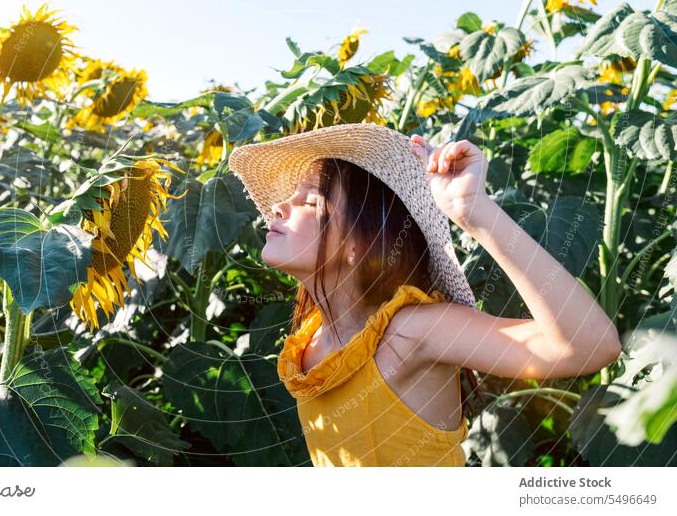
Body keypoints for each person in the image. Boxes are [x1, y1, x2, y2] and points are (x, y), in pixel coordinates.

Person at [227, 123, 622, 467]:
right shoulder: (310, 339)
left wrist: (473, 212)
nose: (278, 207)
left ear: (358, 245)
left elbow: (590, 346)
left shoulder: (409, 333)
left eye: (309, 201)